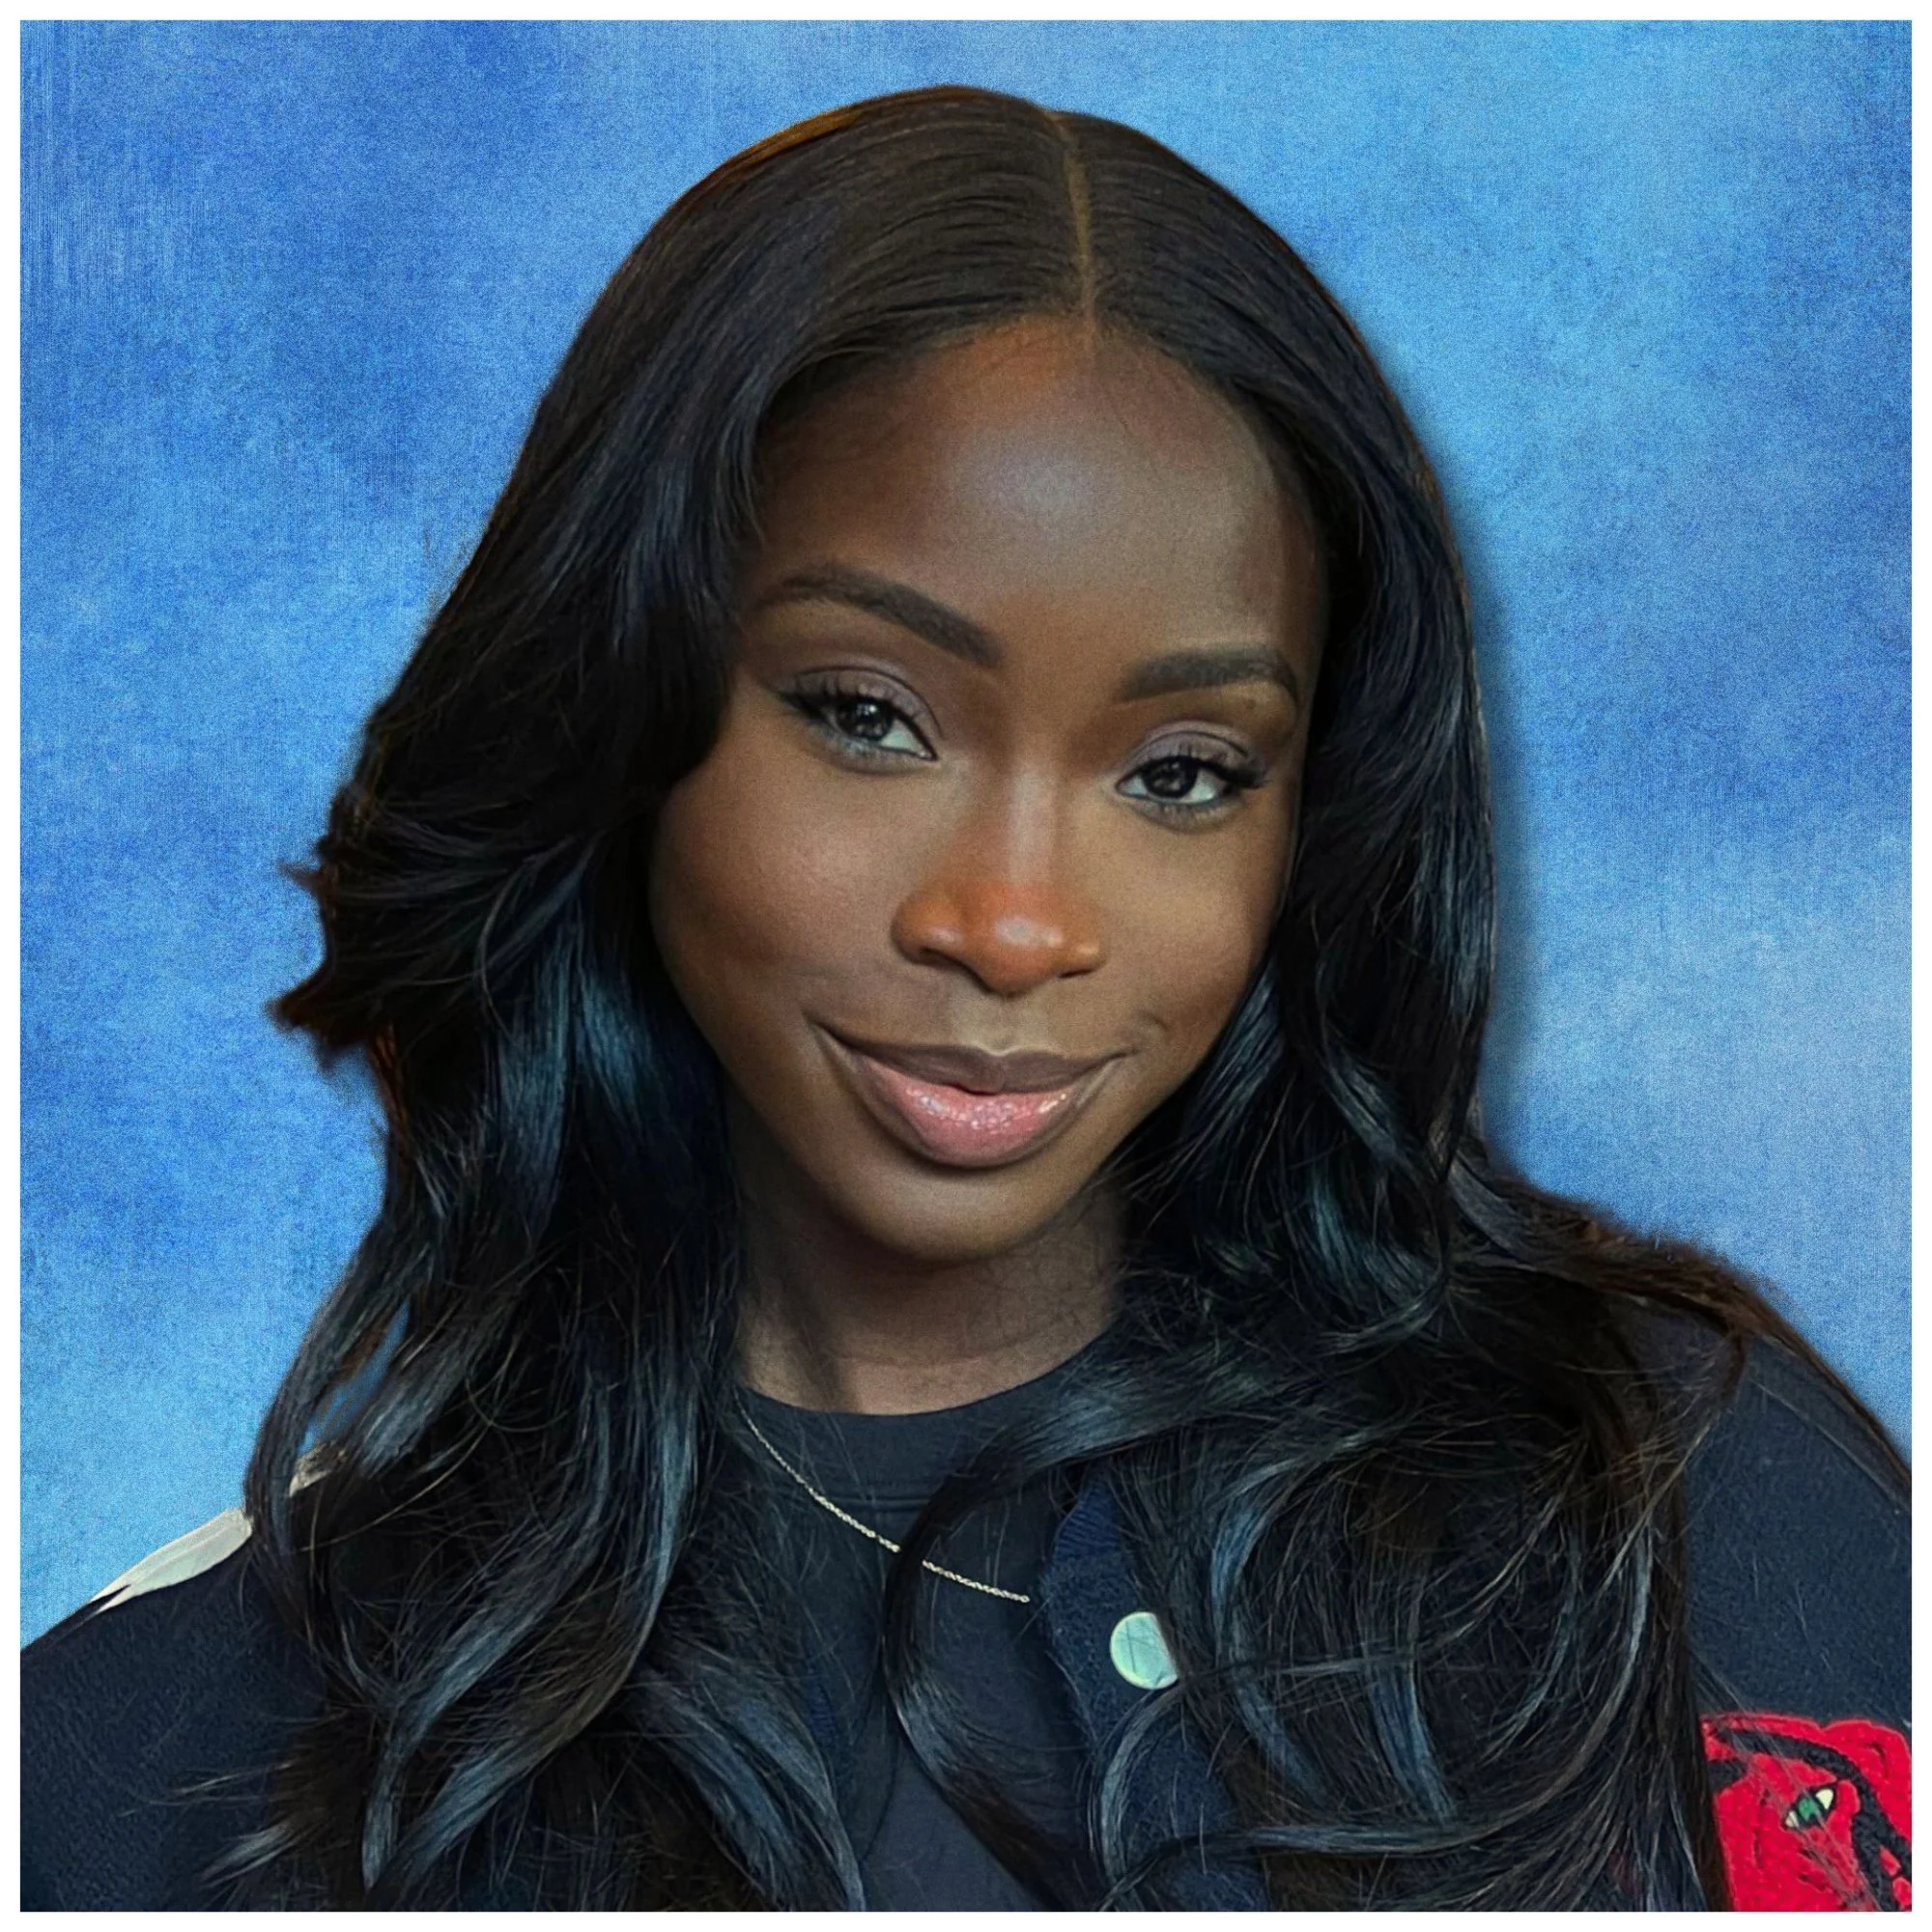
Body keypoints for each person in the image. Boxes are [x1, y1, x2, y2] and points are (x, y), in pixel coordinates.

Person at [21, 84, 1907, 1912]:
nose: (1013, 925)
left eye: (1180, 769)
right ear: (615, 705)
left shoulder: (1687, 1499)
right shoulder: (155, 1753)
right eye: (867, 716)